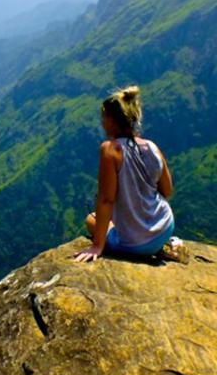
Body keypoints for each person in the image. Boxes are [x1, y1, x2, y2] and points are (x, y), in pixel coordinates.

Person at [73, 85, 180, 263]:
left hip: (135, 244)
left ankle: (145, 248)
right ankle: (165, 245)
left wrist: (97, 245)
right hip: (165, 227)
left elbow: (107, 199)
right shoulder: (153, 147)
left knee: (91, 219)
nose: (102, 122)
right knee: (115, 221)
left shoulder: (110, 150)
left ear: (112, 120)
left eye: (104, 117)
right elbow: (167, 191)